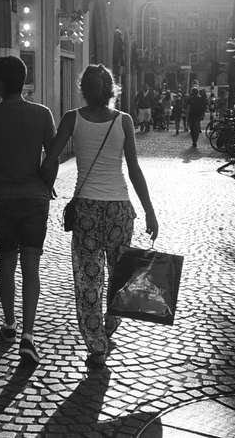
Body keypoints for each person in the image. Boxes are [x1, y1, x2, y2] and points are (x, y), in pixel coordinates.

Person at [41, 64, 159, 369]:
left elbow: (51, 158)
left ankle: (96, 345)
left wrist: (45, 187)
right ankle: (110, 324)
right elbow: (134, 170)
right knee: (120, 275)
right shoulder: (124, 120)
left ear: (83, 89)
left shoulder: (72, 118)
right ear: (110, 90)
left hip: (87, 211)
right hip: (119, 208)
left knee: (89, 279)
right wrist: (149, 211)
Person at [0, 56, 56, 365]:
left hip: (5, 199)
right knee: (31, 266)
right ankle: (28, 336)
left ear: (0, 82)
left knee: (6, 264)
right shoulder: (42, 114)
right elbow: (52, 157)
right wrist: (45, 182)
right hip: (35, 199)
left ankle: (9, 324)